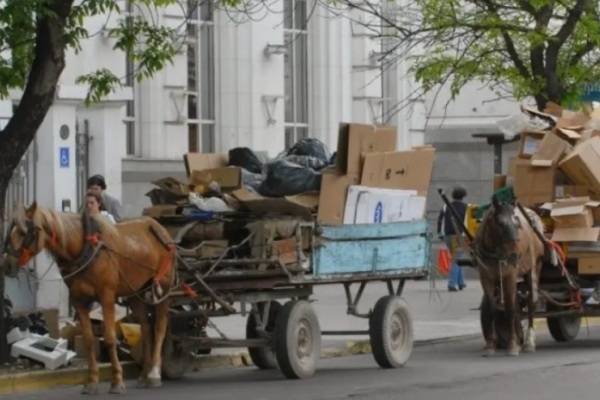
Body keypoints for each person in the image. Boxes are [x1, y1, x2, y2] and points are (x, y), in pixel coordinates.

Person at [437, 185, 468, 292]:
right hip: (459, 236)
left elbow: (440, 220)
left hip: (447, 235)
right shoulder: (466, 207)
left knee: (458, 258)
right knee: (457, 260)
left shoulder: (446, 206)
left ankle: (461, 282)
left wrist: (439, 233)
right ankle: (452, 283)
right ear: (463, 196)